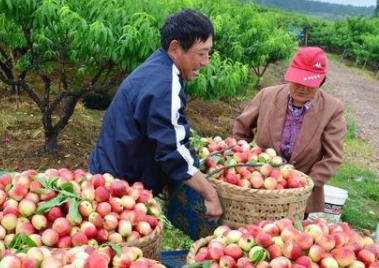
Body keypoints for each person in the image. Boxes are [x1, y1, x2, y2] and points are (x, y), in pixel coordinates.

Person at [89, 9, 222, 221]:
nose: (205, 62)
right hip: (119, 192)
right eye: (201, 53)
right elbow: (173, 150)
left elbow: (162, 132)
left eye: (208, 53)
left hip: (108, 174)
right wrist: (210, 194)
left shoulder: (159, 66)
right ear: (175, 48)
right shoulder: (164, 85)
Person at [233, 47, 347, 214]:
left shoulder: (332, 109)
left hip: (299, 196)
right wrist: (242, 162)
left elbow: (333, 157)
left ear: (321, 82)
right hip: (259, 185)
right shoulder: (267, 95)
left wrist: (304, 185)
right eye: (297, 81)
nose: (302, 88)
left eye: (309, 84)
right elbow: (242, 127)